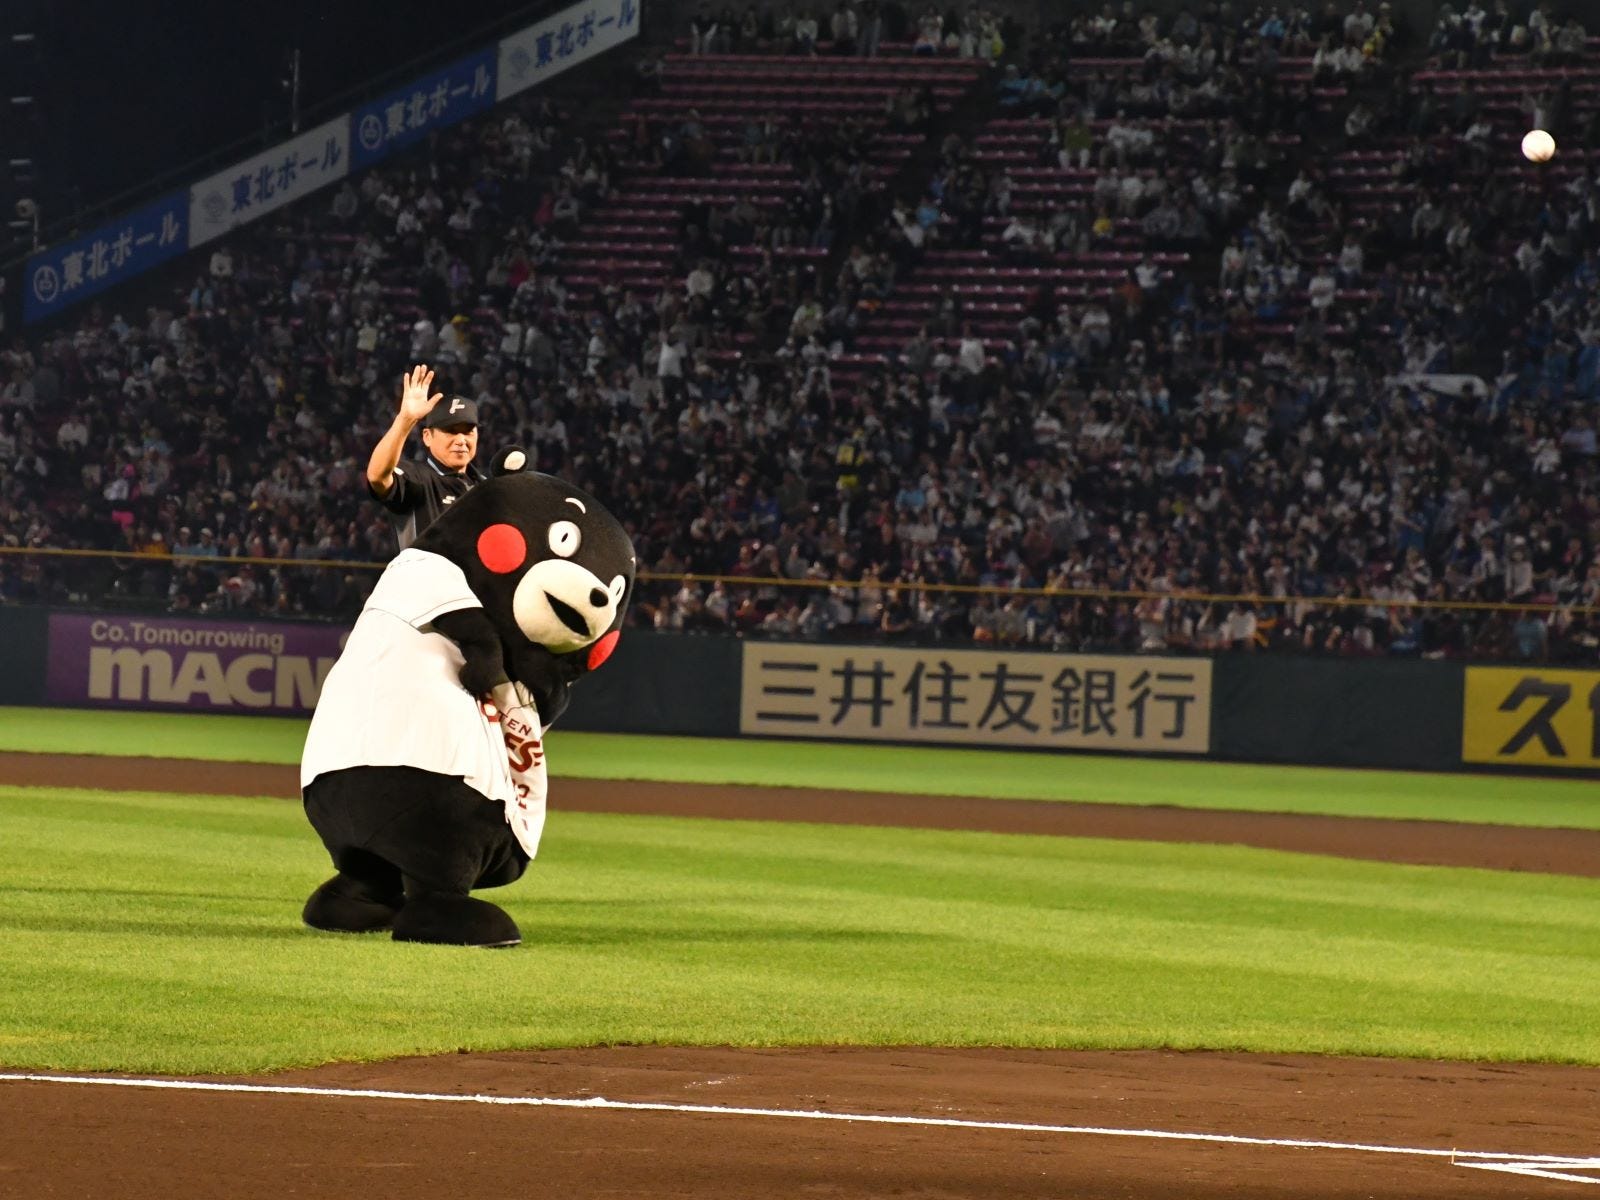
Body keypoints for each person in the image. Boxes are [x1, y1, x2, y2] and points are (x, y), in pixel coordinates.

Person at [366, 363, 485, 549]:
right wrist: (405, 420)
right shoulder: (416, 478)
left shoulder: (486, 486)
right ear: (427, 437)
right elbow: (377, 476)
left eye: (468, 432)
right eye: (451, 432)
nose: (461, 440)